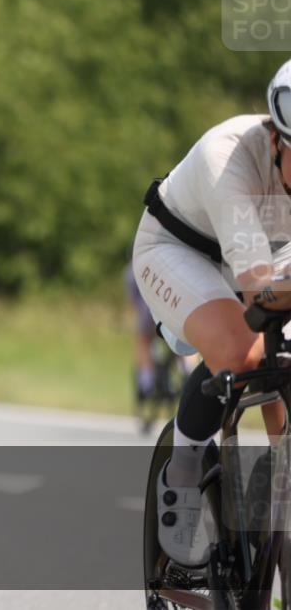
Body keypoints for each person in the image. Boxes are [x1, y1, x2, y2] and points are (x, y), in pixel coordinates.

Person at [132, 60, 291, 568]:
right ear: (276, 140)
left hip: (273, 259)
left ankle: (280, 486)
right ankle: (182, 472)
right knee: (243, 352)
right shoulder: (229, 157)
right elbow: (261, 295)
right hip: (180, 250)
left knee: (285, 361)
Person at [124, 263, 158, 400]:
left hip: (147, 312)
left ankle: (146, 381)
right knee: (180, 339)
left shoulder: (133, 269)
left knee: (144, 341)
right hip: (170, 311)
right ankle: (186, 369)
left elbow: (133, 298)